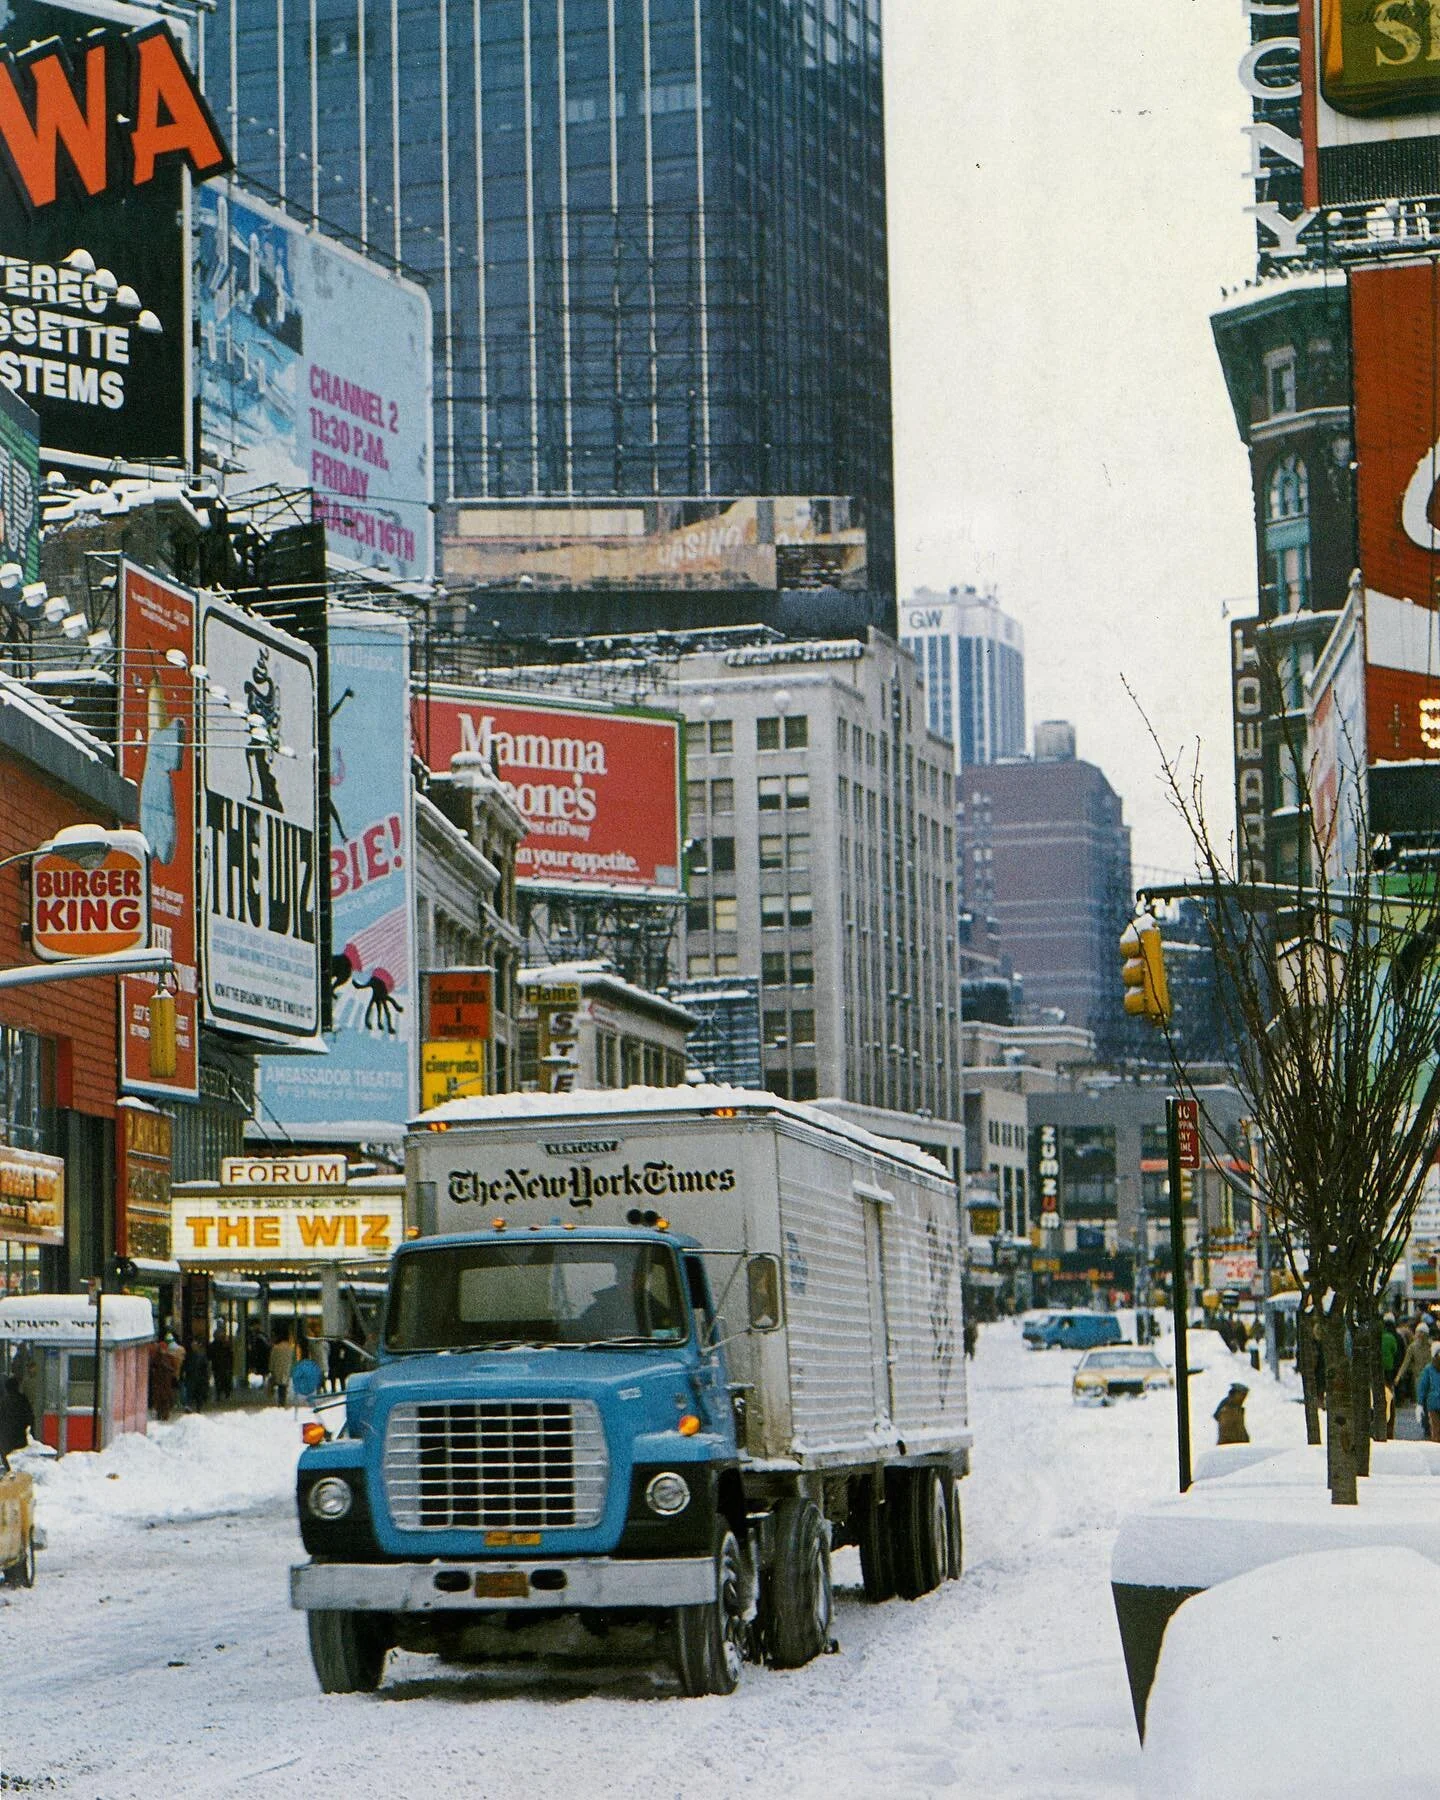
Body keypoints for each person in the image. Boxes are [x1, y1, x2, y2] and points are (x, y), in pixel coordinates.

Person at [0, 1374, 34, 1469]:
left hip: (6, 1437)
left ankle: (9, 1475)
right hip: (19, 1436)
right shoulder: (23, 1399)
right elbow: (29, 1417)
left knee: (7, 1459)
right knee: (19, 1460)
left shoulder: (3, 1401)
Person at [1381, 1313, 1403, 1438]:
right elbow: (1398, 1352)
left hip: (1379, 1370)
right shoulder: (1396, 1337)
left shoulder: (1381, 1336)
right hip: (1390, 1371)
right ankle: (1389, 1420)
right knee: (1389, 1395)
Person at [148, 1329, 178, 1421]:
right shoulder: (167, 1357)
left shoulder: (166, 1358)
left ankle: (164, 1413)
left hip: (163, 1382)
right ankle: (162, 1413)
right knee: (162, 1397)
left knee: (163, 1398)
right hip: (161, 1382)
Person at [181, 1336, 211, 1412]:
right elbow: (185, 1365)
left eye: (194, 1345)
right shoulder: (189, 1355)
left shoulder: (202, 1355)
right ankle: (189, 1406)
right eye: (192, 1345)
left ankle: (198, 1407)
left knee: (198, 1393)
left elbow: (205, 1367)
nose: (193, 1346)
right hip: (190, 1376)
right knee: (190, 1392)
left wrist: (206, 1377)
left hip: (199, 1377)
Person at [268, 1328, 296, 1406]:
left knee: (280, 1384)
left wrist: (271, 1369)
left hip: (277, 1368)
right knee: (284, 1385)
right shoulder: (291, 1348)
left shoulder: (276, 1347)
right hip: (287, 1368)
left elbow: (272, 1359)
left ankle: (281, 1400)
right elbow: (294, 1359)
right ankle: (283, 1400)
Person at [209, 1326, 233, 1403]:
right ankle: (225, 1394)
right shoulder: (226, 1345)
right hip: (222, 1366)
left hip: (219, 1366)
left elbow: (210, 1356)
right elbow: (230, 1355)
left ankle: (221, 1395)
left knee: (220, 1381)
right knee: (224, 1381)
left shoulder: (214, 1345)